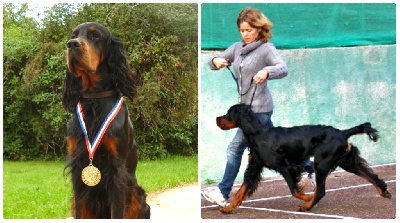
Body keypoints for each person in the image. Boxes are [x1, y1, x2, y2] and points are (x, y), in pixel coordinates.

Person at [201, 7, 289, 207]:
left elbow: (283, 68)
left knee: (234, 148)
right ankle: (308, 167)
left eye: (249, 30)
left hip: (260, 111)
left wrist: (267, 71)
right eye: (242, 30)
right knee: (275, 147)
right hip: (245, 112)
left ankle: (223, 192)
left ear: (259, 29)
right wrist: (216, 61)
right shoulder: (237, 47)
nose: (245, 34)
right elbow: (212, 62)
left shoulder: (267, 49)